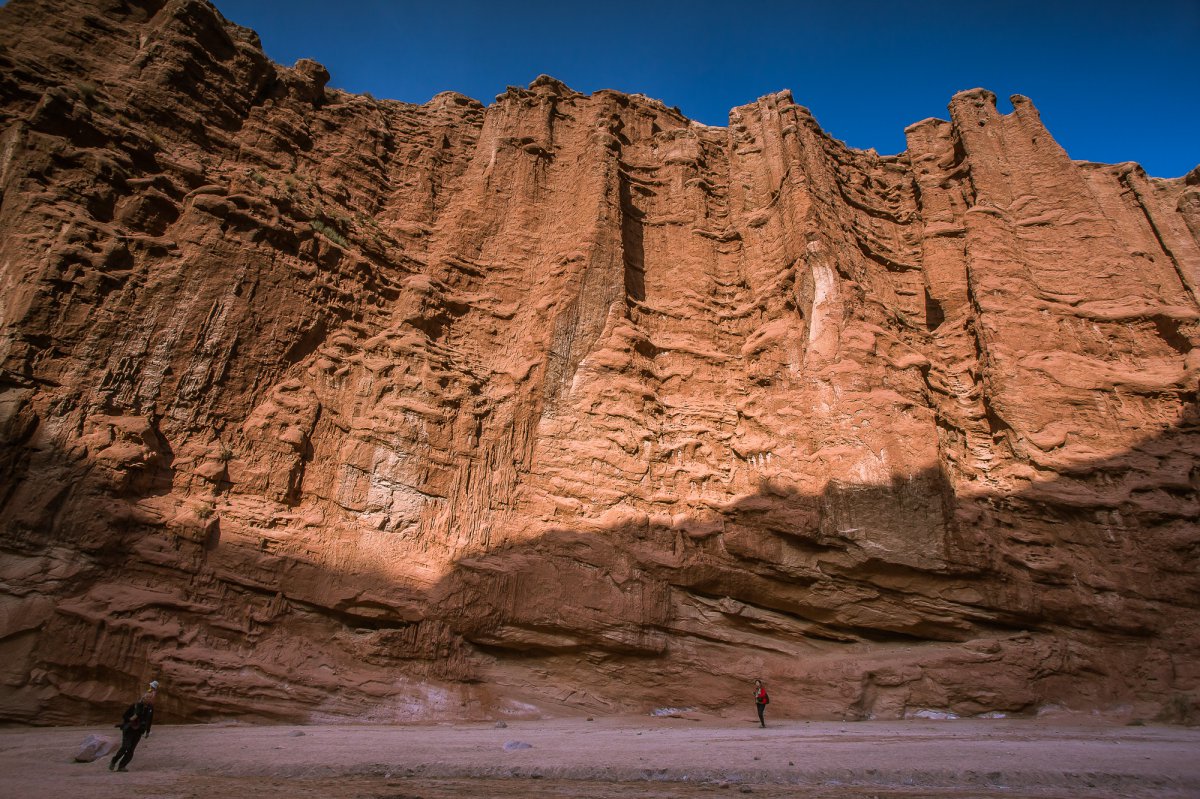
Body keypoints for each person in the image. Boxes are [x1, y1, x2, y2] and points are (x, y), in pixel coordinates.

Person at [108, 694, 154, 771]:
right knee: (125, 746)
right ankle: (114, 760)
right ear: (143, 698)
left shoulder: (150, 708)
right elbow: (124, 716)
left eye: (150, 698)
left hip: (139, 730)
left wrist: (147, 731)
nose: (148, 699)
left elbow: (149, 720)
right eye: (147, 697)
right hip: (129, 729)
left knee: (131, 750)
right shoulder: (135, 706)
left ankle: (122, 766)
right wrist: (131, 719)